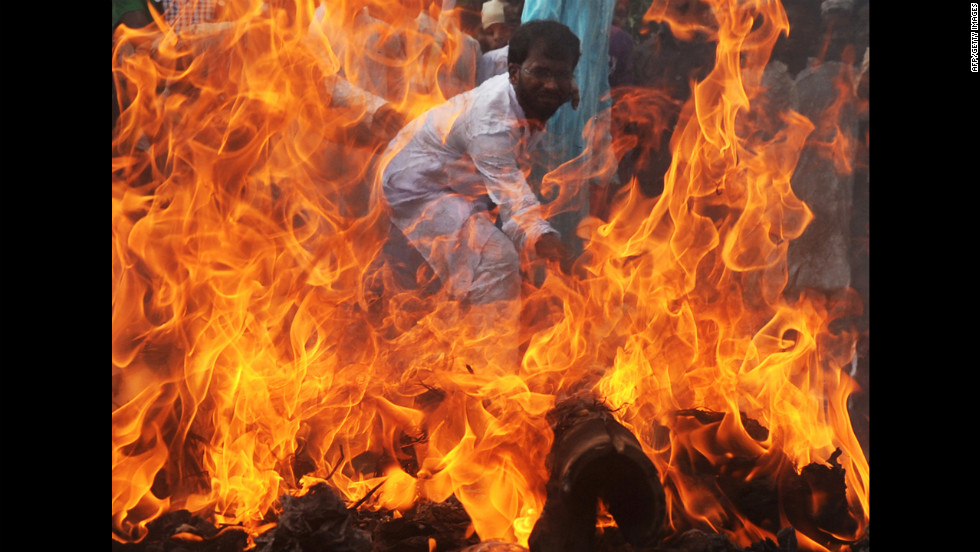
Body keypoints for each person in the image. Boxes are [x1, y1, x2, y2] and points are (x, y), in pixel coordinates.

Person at [378, 20, 581, 364]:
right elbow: (514, 200)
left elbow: (526, 65)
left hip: (459, 183)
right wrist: (554, 248)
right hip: (416, 185)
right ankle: (493, 383)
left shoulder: (529, 87)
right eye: (541, 73)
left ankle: (461, 360)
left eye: (562, 76)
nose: (551, 84)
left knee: (496, 260)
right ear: (515, 73)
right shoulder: (492, 121)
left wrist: (564, 86)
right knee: (496, 258)